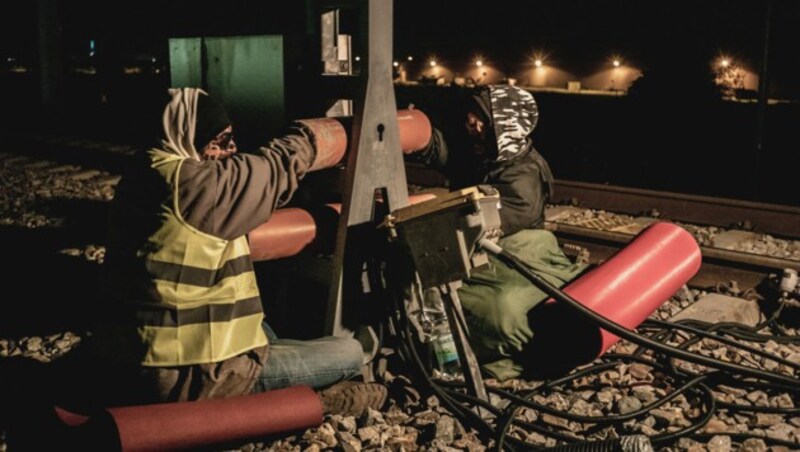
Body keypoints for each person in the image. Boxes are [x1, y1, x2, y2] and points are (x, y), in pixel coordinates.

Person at [91, 87, 386, 414]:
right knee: (348, 352)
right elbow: (275, 166)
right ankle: (314, 403)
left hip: (130, 362)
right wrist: (317, 134)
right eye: (221, 141)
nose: (231, 150)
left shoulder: (144, 172)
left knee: (262, 329)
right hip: (194, 378)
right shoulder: (195, 184)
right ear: (190, 137)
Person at [410, 85, 587, 380]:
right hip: (489, 246)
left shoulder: (524, 175)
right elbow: (446, 152)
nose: (471, 121)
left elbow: (482, 222)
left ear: (503, 125)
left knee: (483, 305)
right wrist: (420, 134)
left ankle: (461, 351)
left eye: (481, 116)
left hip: (512, 252)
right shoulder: (486, 153)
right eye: (473, 113)